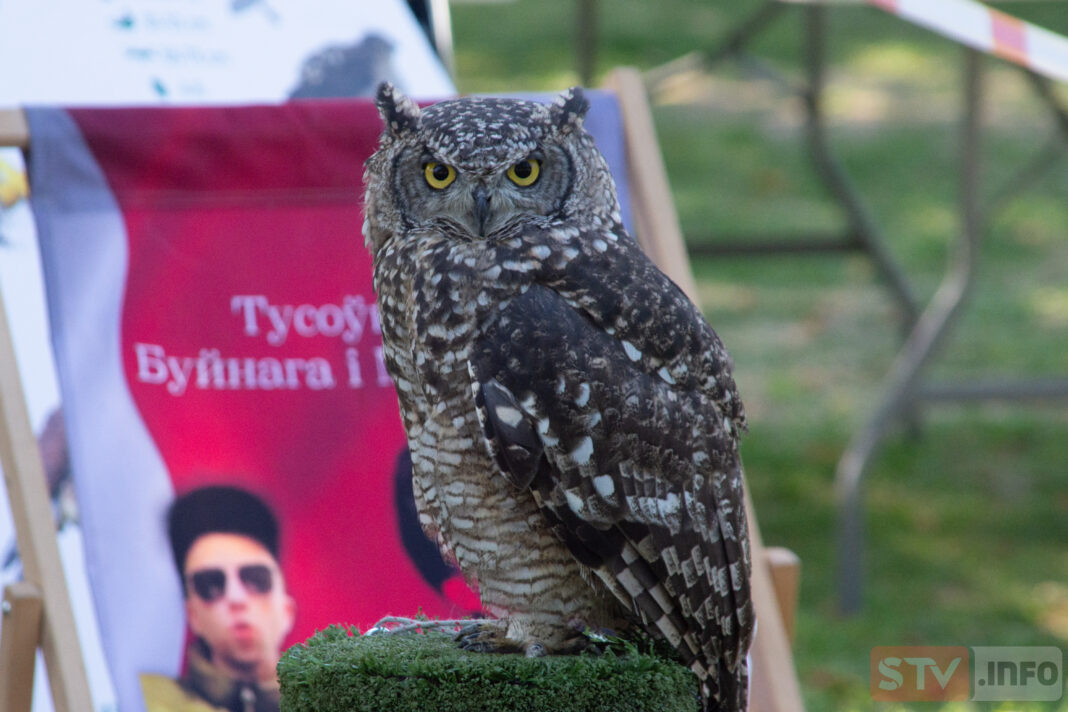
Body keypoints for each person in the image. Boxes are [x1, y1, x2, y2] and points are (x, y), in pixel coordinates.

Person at [141, 485, 296, 712]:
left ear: (286, 610)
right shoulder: (144, 701)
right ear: (192, 614)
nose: (236, 598)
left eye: (255, 579)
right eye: (211, 585)